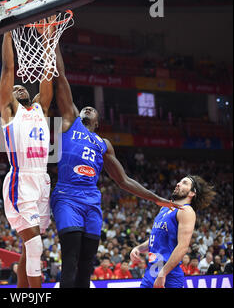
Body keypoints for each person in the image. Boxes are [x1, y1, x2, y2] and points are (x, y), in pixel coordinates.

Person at [51, 44, 179, 288]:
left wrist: (156, 199)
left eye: (92, 109)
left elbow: (124, 181)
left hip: (91, 201)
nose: (88, 107)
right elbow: (61, 77)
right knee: (70, 257)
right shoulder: (70, 122)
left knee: (87, 262)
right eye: (85, 107)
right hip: (67, 195)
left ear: (98, 123)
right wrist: (53, 43)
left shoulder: (104, 144)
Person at [0, 31, 54, 288]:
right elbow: (8, 68)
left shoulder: (41, 107)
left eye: (22, 87)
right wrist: (8, 34)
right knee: (35, 247)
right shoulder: (10, 110)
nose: (17, 87)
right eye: (14, 88)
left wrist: (47, 39)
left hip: (42, 179)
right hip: (21, 179)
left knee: (27, 248)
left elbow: (47, 74)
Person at [131, 175, 216, 288]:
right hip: (151, 271)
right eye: (179, 181)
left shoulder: (186, 211)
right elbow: (156, 238)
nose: (178, 184)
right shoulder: (165, 208)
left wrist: (163, 273)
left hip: (169, 274)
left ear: (192, 193)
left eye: (184, 183)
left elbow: (183, 247)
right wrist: (138, 248)